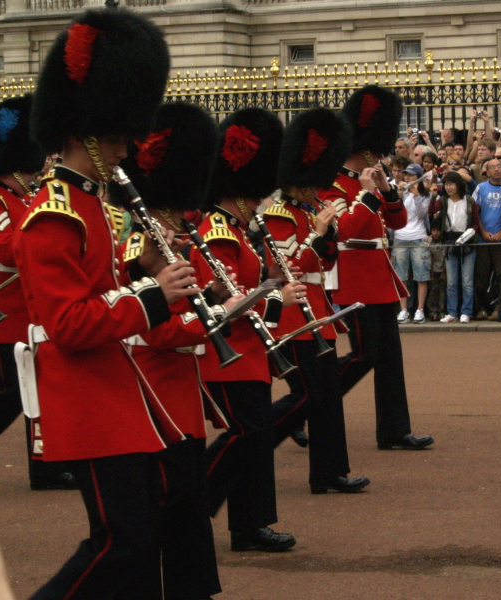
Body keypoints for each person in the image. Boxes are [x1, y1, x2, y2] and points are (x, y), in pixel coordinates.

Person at [13, 9, 201, 598]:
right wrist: (154, 295)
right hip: (85, 394)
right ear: (83, 133)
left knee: (142, 540)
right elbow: (68, 322)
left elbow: (101, 289)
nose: (126, 151)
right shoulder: (53, 214)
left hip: (117, 388)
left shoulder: (98, 204)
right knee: (121, 541)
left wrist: (141, 269)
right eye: (118, 138)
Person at [115, 101, 232, 600]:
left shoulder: (172, 236)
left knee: (188, 505)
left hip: (180, 392)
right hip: (154, 391)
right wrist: (211, 319)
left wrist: (213, 304)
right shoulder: (134, 239)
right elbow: (155, 329)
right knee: (169, 507)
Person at [191, 107, 305, 552]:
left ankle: (250, 524)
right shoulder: (220, 231)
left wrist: (273, 288)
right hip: (230, 356)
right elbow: (228, 299)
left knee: (255, 441)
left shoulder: (237, 230)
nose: (261, 202)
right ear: (243, 193)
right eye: (257, 195)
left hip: (248, 354)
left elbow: (248, 292)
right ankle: (190, 504)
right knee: (247, 434)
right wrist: (279, 296)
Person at [317, 85, 433, 451]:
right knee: (364, 356)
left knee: (389, 360)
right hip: (353, 280)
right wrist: (368, 195)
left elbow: (396, 224)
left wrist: (389, 192)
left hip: (379, 277)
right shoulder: (332, 185)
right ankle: (310, 401)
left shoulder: (370, 181)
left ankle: (395, 430)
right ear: (368, 150)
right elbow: (345, 231)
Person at [265, 107, 370, 494]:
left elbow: (323, 260)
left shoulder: (307, 210)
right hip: (296, 316)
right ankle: (259, 439)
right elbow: (287, 268)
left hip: (319, 312)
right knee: (308, 397)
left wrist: (326, 238)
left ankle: (329, 472)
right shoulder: (279, 215)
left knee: (327, 398)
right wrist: (317, 235)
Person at [0, 94, 76, 491]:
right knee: (12, 394)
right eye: (28, 171)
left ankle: (46, 466)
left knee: (36, 390)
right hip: (4, 320)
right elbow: (8, 250)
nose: (34, 175)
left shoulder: (21, 198)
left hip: (27, 317)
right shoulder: (1, 200)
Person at [430, 171, 480, 323]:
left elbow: (475, 223)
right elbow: (430, 212)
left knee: (467, 281)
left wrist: (468, 235)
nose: (448, 187)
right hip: (450, 242)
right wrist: (433, 196)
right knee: (451, 281)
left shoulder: (469, 201)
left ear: (458, 185)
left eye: (451, 184)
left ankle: (466, 311)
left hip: (467, 242)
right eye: (446, 184)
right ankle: (452, 312)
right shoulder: (443, 200)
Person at [393, 163, 432, 324]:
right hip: (400, 237)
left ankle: (420, 310)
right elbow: (393, 211)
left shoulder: (425, 194)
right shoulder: (400, 192)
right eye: (405, 175)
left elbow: (423, 213)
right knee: (401, 276)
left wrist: (416, 195)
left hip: (418, 236)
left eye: (410, 175)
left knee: (421, 275)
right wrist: (399, 195)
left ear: (417, 177)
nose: (407, 178)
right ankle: (403, 310)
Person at [473, 157, 501, 320]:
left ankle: (498, 309)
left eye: (499, 166)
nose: (496, 169)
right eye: (492, 167)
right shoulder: (480, 188)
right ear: (487, 171)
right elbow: (475, 213)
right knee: (481, 277)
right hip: (483, 239)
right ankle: (482, 308)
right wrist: (483, 232)